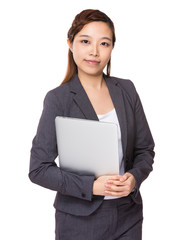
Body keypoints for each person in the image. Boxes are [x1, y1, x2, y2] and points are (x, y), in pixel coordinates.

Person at [29, 9, 155, 240]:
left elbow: (145, 150)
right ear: (70, 43)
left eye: (104, 43)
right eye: (85, 41)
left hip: (128, 214)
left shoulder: (126, 90)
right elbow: (39, 169)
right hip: (79, 221)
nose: (94, 52)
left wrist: (134, 178)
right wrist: (91, 187)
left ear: (112, 48)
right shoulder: (59, 99)